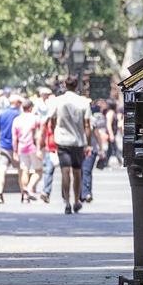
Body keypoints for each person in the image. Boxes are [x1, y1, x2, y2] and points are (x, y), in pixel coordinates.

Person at [43, 75, 92, 214]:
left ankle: (67, 202)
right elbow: (87, 125)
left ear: (65, 84)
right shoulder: (83, 102)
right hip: (77, 141)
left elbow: (51, 121)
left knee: (65, 171)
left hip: (62, 141)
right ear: (77, 86)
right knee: (77, 172)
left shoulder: (58, 101)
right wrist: (88, 143)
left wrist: (54, 133)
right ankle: (76, 200)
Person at [12, 99, 43, 202]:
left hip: (22, 148)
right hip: (32, 147)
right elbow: (38, 135)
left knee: (24, 170)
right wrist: (39, 149)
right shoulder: (35, 119)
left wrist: (15, 151)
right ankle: (29, 188)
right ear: (31, 108)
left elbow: (14, 137)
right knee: (38, 171)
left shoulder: (17, 120)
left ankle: (25, 195)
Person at [0, 95, 22, 203]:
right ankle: (24, 194)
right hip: (16, 148)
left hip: (3, 146)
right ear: (16, 103)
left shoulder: (2, 114)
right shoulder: (19, 115)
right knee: (21, 170)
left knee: (2, 170)